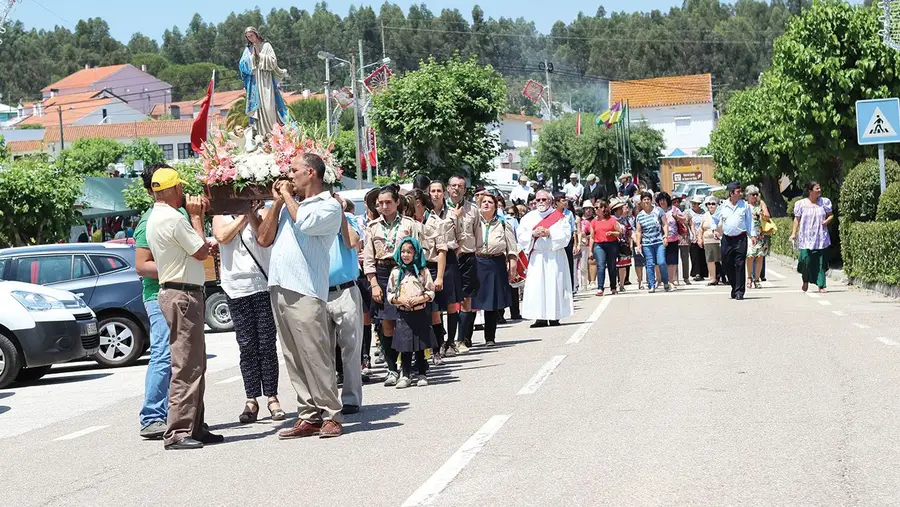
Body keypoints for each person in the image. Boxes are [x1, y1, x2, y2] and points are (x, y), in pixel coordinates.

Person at [255, 153, 344, 439]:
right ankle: (308, 414)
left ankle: (331, 413)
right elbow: (263, 239)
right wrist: (278, 203)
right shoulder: (288, 206)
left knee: (315, 353)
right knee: (293, 355)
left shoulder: (328, 206)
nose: (289, 176)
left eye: (294, 171)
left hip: (306, 289)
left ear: (311, 173)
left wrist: (286, 197)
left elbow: (304, 223)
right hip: (279, 285)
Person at [145, 168, 219, 450]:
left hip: (178, 292)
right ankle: (178, 431)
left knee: (194, 362)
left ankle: (194, 425)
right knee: (187, 364)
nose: (183, 193)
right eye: (179, 188)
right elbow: (200, 251)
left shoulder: (156, 217)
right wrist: (197, 218)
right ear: (171, 190)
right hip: (183, 294)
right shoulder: (175, 219)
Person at [212, 211, 284, 424]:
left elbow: (264, 239)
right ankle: (251, 398)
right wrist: (242, 215)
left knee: (267, 344)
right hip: (235, 288)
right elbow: (222, 237)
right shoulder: (221, 216)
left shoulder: (261, 213)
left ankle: (272, 397)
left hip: (261, 285)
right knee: (247, 345)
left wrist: (251, 213)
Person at [135, 164, 184, 440]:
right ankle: (152, 416)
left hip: (177, 293)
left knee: (181, 358)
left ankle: (174, 414)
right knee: (163, 356)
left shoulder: (176, 214)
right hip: (159, 295)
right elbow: (142, 266)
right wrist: (176, 268)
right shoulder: (148, 222)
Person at [362, 185, 420, 386]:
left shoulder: (409, 225)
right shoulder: (372, 227)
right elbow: (368, 258)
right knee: (386, 323)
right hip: (383, 273)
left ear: (397, 202)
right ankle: (391, 369)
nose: (384, 206)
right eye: (380, 203)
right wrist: (374, 284)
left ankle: (406, 370)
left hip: (404, 272)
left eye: (388, 202)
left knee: (404, 322)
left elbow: (418, 252)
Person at [323, 194, 365, 414]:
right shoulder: (315, 221)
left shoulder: (348, 218)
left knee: (350, 346)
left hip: (345, 289)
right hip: (319, 292)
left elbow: (351, 241)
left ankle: (351, 398)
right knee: (323, 351)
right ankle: (327, 401)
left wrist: (339, 213)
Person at [517, 190, 573, 328]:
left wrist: (550, 232)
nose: (541, 202)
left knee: (555, 285)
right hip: (537, 256)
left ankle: (555, 316)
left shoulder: (559, 217)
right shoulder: (528, 218)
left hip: (555, 256)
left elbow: (566, 235)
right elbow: (520, 235)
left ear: (550, 201)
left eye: (544, 199)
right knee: (537, 286)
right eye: (538, 200)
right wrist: (532, 234)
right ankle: (540, 317)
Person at [387, 237, 436, 388]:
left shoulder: (422, 271)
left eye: (409, 252)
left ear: (416, 253)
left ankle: (422, 373)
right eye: (403, 252)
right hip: (403, 314)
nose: (406, 255)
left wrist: (420, 299)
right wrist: (399, 299)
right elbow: (389, 293)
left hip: (420, 312)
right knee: (405, 346)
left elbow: (431, 291)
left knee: (420, 346)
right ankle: (405, 374)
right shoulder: (396, 272)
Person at [471, 193, 518, 346]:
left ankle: (489, 338)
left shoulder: (504, 224)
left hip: (495, 262)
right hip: (477, 261)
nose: (486, 204)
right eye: (483, 201)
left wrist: (512, 268)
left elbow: (512, 249)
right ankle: (465, 338)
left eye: (490, 202)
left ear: (495, 206)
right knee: (472, 302)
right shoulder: (473, 222)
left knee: (491, 303)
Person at [410, 189, 448, 364]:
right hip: (412, 270)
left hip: (430, 268)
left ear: (419, 202)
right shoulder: (408, 222)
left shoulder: (435, 222)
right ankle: (419, 351)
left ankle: (437, 348)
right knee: (417, 312)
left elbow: (441, 251)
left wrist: (439, 277)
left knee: (434, 313)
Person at [429, 181, 464, 356]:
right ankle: (439, 342)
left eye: (439, 191)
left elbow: (461, 237)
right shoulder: (425, 214)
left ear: (444, 193)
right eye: (433, 191)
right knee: (436, 306)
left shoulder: (453, 213)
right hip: (431, 260)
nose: (436, 194)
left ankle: (451, 342)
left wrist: (452, 255)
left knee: (451, 304)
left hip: (449, 258)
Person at [446, 175, 478, 353]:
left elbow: (477, 233)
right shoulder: (441, 209)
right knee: (449, 300)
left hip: (467, 256)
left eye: (460, 186)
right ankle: (447, 340)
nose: (456, 189)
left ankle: (461, 340)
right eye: (453, 185)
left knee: (466, 299)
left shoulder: (473, 209)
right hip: (448, 257)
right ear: (448, 188)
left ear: (465, 189)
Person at [240, 27, 288, 138]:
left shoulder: (266, 46)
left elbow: (273, 62)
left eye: (251, 35)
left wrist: (259, 55)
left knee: (268, 107)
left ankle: (273, 133)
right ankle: (262, 135)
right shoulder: (248, 49)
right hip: (255, 82)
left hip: (266, 81)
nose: (250, 38)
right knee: (259, 109)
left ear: (256, 34)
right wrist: (252, 58)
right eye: (248, 37)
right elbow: (242, 65)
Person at [713, 182, 756, 301]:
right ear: (731, 193)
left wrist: (752, 235)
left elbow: (749, 221)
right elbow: (715, 218)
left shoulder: (744, 205)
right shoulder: (723, 205)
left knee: (740, 264)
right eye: (737, 192)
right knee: (727, 264)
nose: (740, 194)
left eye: (740, 191)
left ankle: (739, 291)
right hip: (727, 239)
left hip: (740, 238)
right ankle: (734, 286)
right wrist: (714, 230)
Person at [789, 181, 833, 293]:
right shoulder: (801, 204)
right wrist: (793, 233)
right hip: (806, 237)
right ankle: (805, 279)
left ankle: (821, 285)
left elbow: (831, 215)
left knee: (821, 261)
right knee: (805, 260)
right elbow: (797, 219)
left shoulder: (824, 202)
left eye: (819, 188)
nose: (819, 190)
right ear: (810, 191)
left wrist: (826, 221)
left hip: (820, 237)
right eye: (817, 188)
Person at [634, 191, 671, 293]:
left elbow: (665, 224)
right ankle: (651, 284)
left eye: (648, 199)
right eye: (644, 200)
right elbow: (638, 231)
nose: (646, 201)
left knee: (661, 262)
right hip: (647, 243)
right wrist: (638, 244)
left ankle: (665, 281)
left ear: (651, 200)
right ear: (641, 202)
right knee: (650, 264)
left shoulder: (658, 211)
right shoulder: (640, 216)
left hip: (659, 241)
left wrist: (666, 236)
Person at [591, 200, 622, 296]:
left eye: (597, 208)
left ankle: (613, 287)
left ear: (603, 208)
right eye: (594, 208)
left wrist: (612, 233)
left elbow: (619, 232)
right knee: (600, 265)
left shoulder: (612, 220)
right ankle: (600, 287)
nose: (595, 210)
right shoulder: (594, 221)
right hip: (599, 245)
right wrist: (590, 251)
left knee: (612, 266)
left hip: (611, 244)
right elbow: (592, 237)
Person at [745, 185, 771, 289]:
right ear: (747, 195)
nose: (755, 196)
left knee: (760, 256)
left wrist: (762, 214)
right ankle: (749, 277)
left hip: (760, 233)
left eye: (756, 194)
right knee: (750, 255)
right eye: (753, 194)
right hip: (748, 234)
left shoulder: (760, 203)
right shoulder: (744, 205)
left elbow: (768, 216)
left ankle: (757, 279)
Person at [657, 192, 682, 289]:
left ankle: (671, 280)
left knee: (671, 261)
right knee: (661, 261)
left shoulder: (674, 209)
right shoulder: (656, 211)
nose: (662, 202)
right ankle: (660, 280)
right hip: (660, 239)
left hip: (673, 238)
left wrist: (677, 217)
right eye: (660, 200)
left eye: (664, 200)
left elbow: (685, 219)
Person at [555, 192, 577, 290]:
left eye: (565, 200)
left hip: (568, 242)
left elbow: (573, 230)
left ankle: (570, 288)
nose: (565, 202)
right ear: (557, 202)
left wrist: (576, 244)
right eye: (563, 200)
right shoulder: (552, 214)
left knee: (569, 264)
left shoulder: (569, 214)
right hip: (557, 242)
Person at [612, 199, 633, 293]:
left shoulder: (625, 220)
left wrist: (631, 242)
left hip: (623, 244)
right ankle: (613, 284)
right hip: (612, 243)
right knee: (613, 265)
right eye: (620, 208)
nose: (622, 210)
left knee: (623, 265)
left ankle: (621, 284)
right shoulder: (611, 220)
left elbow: (629, 232)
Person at [700, 196, 723, 285]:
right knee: (710, 260)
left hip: (720, 240)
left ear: (717, 205)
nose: (711, 206)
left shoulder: (721, 214)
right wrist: (699, 239)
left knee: (722, 260)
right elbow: (701, 229)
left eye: (713, 204)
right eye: (708, 204)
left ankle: (725, 277)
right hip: (708, 240)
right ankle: (712, 278)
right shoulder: (705, 216)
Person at [671, 195, 692, 285]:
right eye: (674, 202)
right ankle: (675, 278)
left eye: (678, 202)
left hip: (684, 238)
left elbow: (689, 223)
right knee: (674, 259)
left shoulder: (685, 212)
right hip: (674, 237)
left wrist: (694, 234)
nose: (676, 204)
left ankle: (686, 277)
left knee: (685, 259)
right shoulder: (669, 212)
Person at [687, 195, 709, 281]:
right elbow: (688, 223)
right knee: (694, 256)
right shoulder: (689, 212)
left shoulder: (704, 213)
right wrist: (694, 235)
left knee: (702, 256)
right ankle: (696, 273)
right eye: (692, 203)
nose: (694, 205)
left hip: (703, 237)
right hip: (693, 237)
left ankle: (704, 273)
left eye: (696, 204)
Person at [580, 201, 596, 292]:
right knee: (582, 265)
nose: (588, 210)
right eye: (586, 208)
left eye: (590, 208)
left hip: (592, 243)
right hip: (582, 244)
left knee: (592, 261)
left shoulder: (595, 220)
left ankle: (592, 281)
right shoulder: (580, 220)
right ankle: (583, 283)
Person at [630, 203, 646, 289]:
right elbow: (632, 233)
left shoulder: (645, 218)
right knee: (638, 262)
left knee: (648, 261)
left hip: (646, 241)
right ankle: (640, 280)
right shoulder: (632, 222)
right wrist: (637, 243)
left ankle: (650, 279)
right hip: (637, 242)